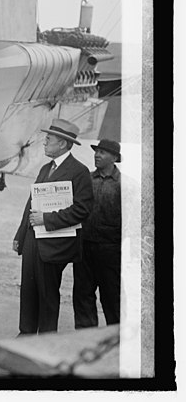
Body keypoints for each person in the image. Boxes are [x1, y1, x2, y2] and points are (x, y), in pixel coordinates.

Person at [13, 119, 94, 335]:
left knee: (48, 293)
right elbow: (31, 204)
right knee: (29, 289)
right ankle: (27, 332)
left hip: (54, 243)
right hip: (33, 240)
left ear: (62, 144)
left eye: (49, 139)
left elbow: (82, 210)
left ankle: (46, 337)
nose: (44, 142)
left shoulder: (79, 172)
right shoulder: (45, 168)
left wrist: (47, 220)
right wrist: (20, 236)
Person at [73, 139, 123, 328]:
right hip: (84, 248)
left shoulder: (124, 185)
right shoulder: (86, 181)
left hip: (111, 251)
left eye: (102, 152)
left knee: (112, 299)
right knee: (82, 296)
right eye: (96, 151)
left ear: (115, 158)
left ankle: (117, 344)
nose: (97, 155)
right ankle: (87, 342)